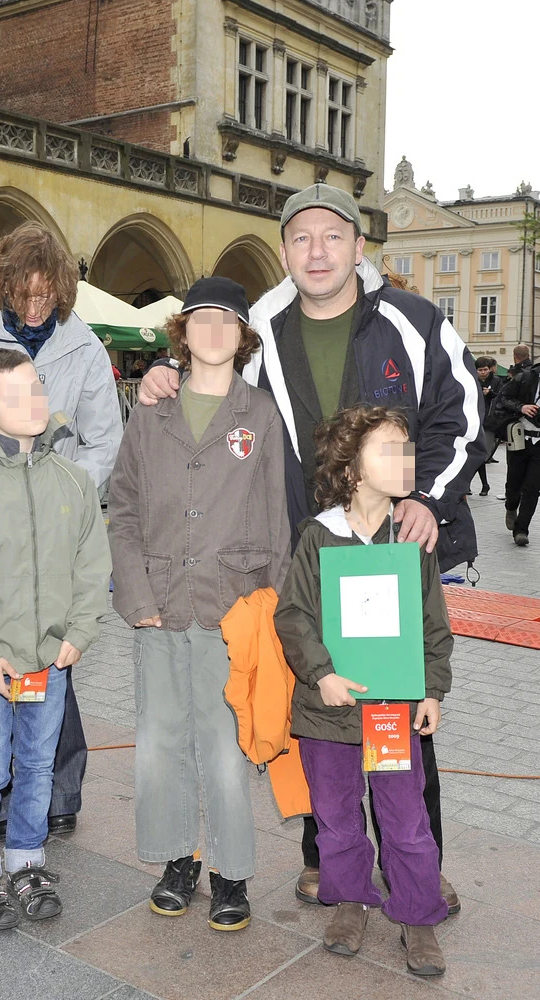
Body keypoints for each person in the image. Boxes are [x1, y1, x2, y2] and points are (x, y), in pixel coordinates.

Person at [139, 183, 485, 913]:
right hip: (311, 548)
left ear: (360, 248)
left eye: (332, 236)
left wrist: (423, 499)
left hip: (392, 544)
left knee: (394, 702)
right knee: (316, 702)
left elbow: (458, 417)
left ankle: (412, 858)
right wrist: (165, 375)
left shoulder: (413, 319)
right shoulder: (265, 324)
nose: (317, 251)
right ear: (285, 252)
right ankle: (326, 856)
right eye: (300, 238)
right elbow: (219, 384)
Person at [0, 220, 122, 835]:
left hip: (57, 524)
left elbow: (103, 438)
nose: (37, 304)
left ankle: (58, 793)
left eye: (48, 294)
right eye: (26, 292)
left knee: (53, 652)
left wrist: (66, 498)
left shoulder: (83, 344)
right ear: (6, 283)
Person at [108, 277, 290, 931]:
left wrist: (275, 611)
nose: (213, 332)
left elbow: (276, 520)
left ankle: (230, 870)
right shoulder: (150, 412)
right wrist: (132, 592)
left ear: (243, 338)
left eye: (227, 322)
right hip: (157, 599)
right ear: (180, 335)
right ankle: (174, 860)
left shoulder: (260, 417)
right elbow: (123, 508)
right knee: (159, 741)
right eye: (200, 320)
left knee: (221, 744)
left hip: (232, 606)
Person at [0, 348, 110, 931]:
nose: (32, 400)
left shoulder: (74, 481)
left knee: (37, 765)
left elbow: (91, 565)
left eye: (34, 387)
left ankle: (28, 858)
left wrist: (80, 632)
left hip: (49, 661)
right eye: (13, 395)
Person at [274, 404, 451, 976]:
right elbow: (294, 613)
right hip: (330, 710)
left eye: (406, 447)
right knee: (336, 813)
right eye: (387, 449)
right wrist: (321, 672)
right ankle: (351, 899)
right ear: (351, 468)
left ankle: (418, 914)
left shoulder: (411, 537)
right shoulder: (319, 537)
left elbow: (432, 621)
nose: (403, 458)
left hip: (392, 709)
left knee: (405, 815)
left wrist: (431, 689)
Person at [498, 358, 540, 546]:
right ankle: (510, 505)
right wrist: (521, 407)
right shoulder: (526, 377)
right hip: (520, 438)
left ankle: (521, 530)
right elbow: (502, 398)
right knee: (514, 482)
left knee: (532, 488)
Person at [472, 357, 502, 496]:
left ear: (490, 369)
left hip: (489, 422)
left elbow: (502, 398)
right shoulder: (472, 381)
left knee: (483, 455)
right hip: (474, 421)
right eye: (480, 370)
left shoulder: (496, 381)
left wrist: (491, 394)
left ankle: (480, 484)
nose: (483, 372)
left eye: (485, 369)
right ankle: (484, 485)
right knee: (476, 454)